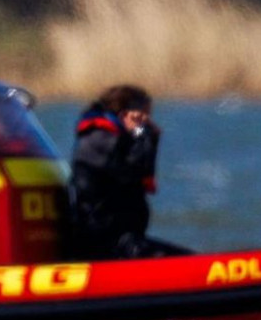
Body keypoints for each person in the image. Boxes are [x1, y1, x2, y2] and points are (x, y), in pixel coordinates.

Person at [68, 84, 189, 260]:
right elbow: (132, 169)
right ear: (125, 114)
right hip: (104, 245)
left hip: (124, 240)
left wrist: (146, 137)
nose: (148, 123)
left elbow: (141, 170)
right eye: (143, 117)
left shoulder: (119, 139)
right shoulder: (97, 140)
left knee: (185, 257)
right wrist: (144, 134)